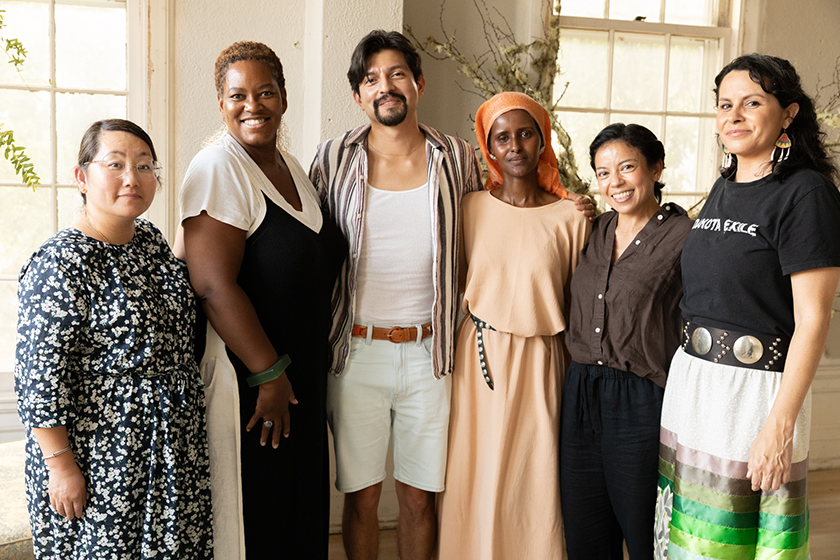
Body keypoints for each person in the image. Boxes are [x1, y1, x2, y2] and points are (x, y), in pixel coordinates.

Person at [655, 53, 840, 560]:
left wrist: (779, 426)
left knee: (739, 544)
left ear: (788, 114)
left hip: (755, 396)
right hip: (694, 388)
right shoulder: (722, 187)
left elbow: (813, 320)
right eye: (724, 105)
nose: (733, 116)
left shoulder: (807, 195)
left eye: (752, 102)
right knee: (686, 542)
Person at [309, 30, 482, 560]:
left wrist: (570, 205)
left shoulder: (457, 158)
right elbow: (301, 239)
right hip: (355, 351)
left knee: (419, 499)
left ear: (419, 84)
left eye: (397, 75)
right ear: (359, 95)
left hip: (433, 354)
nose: (385, 87)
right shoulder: (332, 159)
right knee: (360, 498)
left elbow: (496, 224)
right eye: (371, 79)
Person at [14, 119, 212, 559]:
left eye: (144, 166)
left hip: (170, 445)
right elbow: (38, 378)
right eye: (116, 164)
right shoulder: (61, 263)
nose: (132, 178)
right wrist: (61, 467)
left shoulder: (151, 243)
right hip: (104, 451)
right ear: (82, 177)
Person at [179, 42, 346, 559]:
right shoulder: (217, 167)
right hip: (254, 382)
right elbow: (211, 284)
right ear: (221, 103)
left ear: (284, 98)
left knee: (299, 513)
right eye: (238, 95)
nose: (253, 104)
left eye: (265, 91)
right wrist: (268, 374)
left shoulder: (293, 167)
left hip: (303, 373)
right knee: (261, 519)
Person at [435, 91, 590, 559]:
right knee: (475, 467)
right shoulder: (469, 208)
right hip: (478, 355)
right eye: (503, 137)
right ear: (489, 147)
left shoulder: (572, 217)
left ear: (543, 141)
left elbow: (582, 296)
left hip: (542, 359)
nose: (515, 146)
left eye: (526, 134)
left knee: (535, 470)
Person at [561, 123, 692, 559]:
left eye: (627, 167)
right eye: (602, 172)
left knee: (644, 533)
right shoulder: (592, 229)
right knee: (585, 533)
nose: (614, 182)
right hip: (579, 394)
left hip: (640, 401)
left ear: (656, 167)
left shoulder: (684, 237)